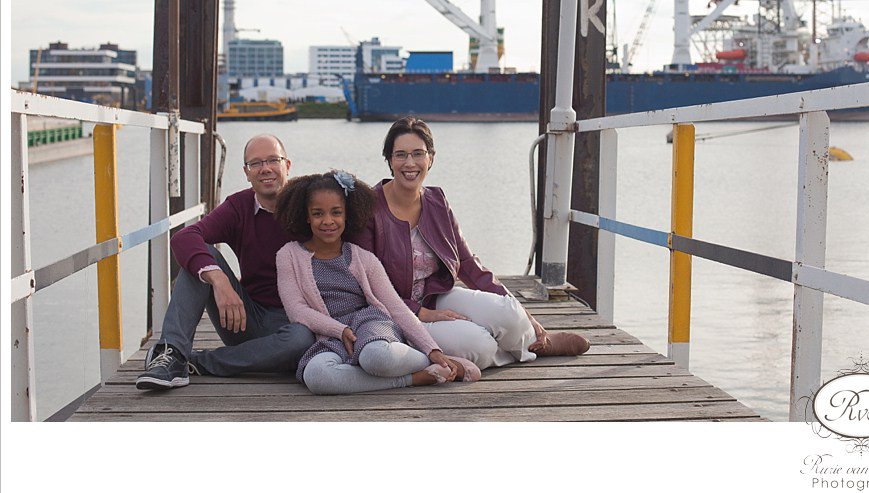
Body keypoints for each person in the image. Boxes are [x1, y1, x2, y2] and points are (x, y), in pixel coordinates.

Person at [348, 116, 590, 371]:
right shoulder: (370, 209)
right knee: (478, 343)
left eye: (418, 153)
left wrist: (523, 314)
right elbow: (365, 284)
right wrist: (423, 314)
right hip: (396, 313)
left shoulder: (436, 200)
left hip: (435, 295)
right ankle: (515, 349)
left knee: (507, 311)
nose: (410, 163)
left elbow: (467, 263)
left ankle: (537, 341)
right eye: (400, 155)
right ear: (389, 160)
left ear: (431, 158)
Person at [136, 134, 316, 390]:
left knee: (302, 339)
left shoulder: (310, 203)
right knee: (202, 257)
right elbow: (184, 238)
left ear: (287, 165)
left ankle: (197, 361)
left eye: (273, 160)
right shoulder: (239, 207)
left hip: (301, 323)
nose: (265, 169)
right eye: (256, 164)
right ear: (246, 172)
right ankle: (172, 353)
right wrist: (218, 279)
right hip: (245, 317)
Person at [274, 170, 480, 394]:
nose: (328, 221)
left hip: (370, 325)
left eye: (336, 213)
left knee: (375, 358)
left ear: (346, 215)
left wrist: (432, 349)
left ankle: (435, 362)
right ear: (307, 216)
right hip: (331, 335)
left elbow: (396, 307)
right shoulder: (288, 255)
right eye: (318, 213)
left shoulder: (363, 258)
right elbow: (296, 311)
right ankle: (414, 378)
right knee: (316, 375)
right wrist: (339, 329)